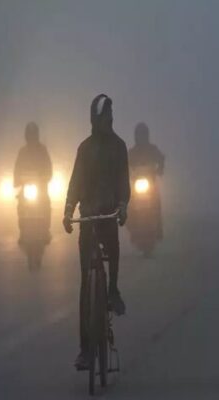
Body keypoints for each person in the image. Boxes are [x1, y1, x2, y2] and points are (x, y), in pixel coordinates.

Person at [62, 94, 130, 370]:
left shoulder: (119, 147)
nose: (107, 122)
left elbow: (124, 183)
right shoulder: (84, 149)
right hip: (88, 217)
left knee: (113, 249)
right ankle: (86, 350)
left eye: (109, 118)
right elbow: (75, 182)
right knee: (86, 285)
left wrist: (123, 205)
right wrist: (68, 210)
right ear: (95, 120)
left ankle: (113, 289)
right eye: (103, 118)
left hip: (108, 214)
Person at [13, 122, 53, 246]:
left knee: (46, 202)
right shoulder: (22, 152)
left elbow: (48, 167)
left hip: (40, 187)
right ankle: (22, 231)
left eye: (33, 135)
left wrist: (46, 177)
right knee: (20, 204)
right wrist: (17, 180)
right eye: (29, 135)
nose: (31, 137)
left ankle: (46, 230)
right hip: (26, 186)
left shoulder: (42, 150)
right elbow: (17, 168)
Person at [128, 122, 165, 238]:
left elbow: (161, 158)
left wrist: (160, 169)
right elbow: (124, 164)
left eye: (143, 135)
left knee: (157, 202)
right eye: (139, 135)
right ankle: (132, 227)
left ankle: (158, 228)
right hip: (136, 185)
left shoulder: (152, 149)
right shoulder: (132, 152)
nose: (141, 137)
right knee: (128, 204)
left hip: (151, 184)